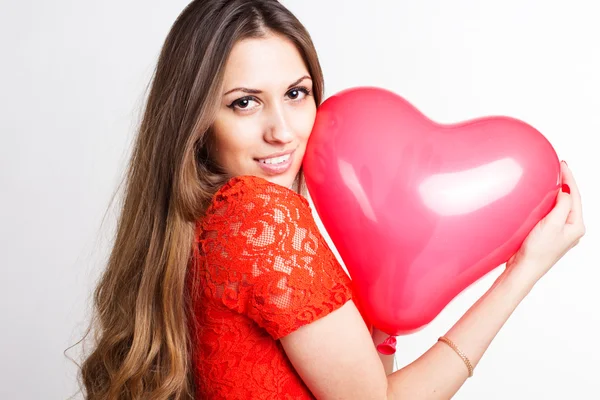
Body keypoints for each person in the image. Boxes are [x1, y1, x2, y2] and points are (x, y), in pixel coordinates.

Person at [77, 0, 586, 399]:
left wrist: (390, 284)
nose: (282, 130)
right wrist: (524, 271)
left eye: (296, 94)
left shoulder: (206, 221)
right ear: (196, 123)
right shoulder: (263, 220)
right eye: (245, 102)